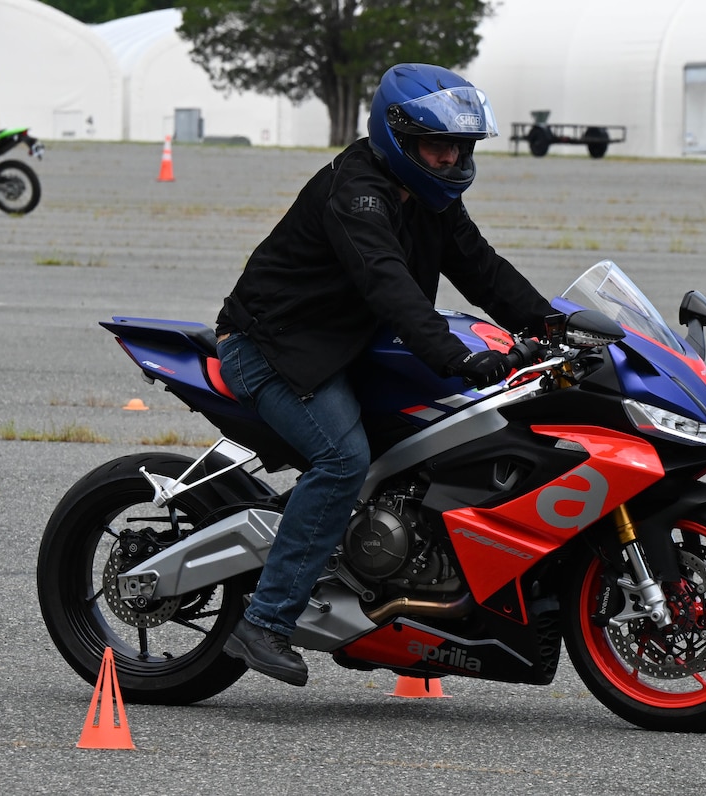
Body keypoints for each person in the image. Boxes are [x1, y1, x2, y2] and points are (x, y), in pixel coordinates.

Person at [214, 63, 554, 686]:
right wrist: (457, 356)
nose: (451, 158)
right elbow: (387, 284)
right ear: (397, 135)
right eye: (437, 144)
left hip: (344, 346)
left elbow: (483, 269)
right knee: (342, 460)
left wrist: (553, 324)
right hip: (275, 347)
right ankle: (264, 620)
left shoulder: (432, 197)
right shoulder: (358, 193)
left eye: (459, 147)